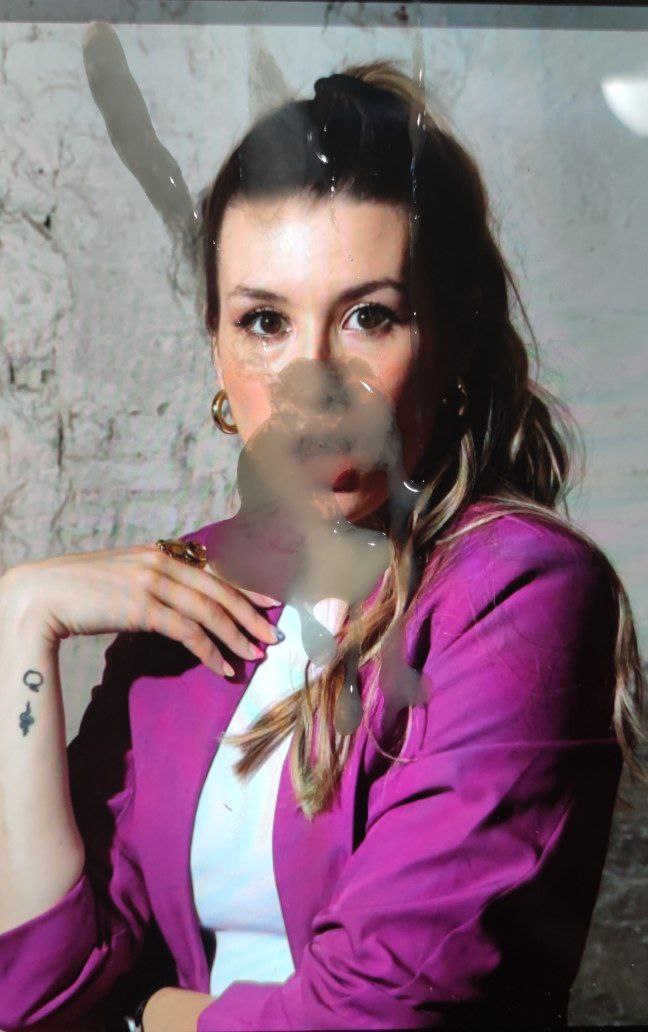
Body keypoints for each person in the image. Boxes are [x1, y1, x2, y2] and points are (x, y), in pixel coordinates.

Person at [0, 60, 645, 1032]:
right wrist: (20, 619)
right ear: (217, 347)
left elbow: (373, 1015)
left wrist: (142, 1015)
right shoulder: (194, 587)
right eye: (264, 321)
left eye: (368, 316)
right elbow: (36, 992)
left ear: (454, 336)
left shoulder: (524, 592)